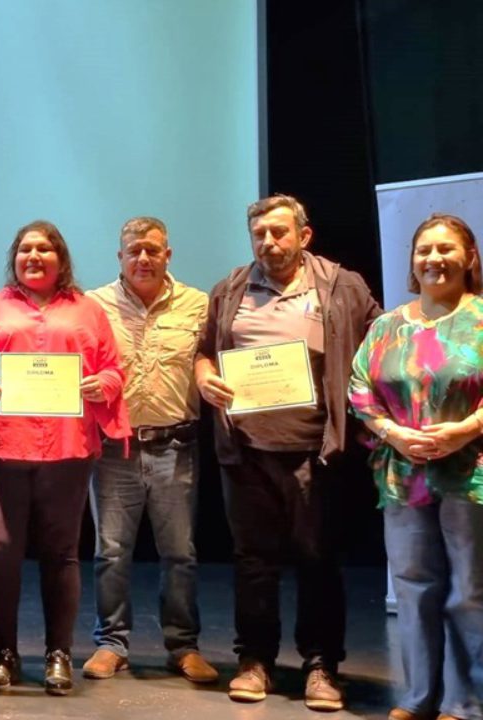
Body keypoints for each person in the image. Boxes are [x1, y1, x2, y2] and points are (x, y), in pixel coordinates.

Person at [194, 194, 380, 711]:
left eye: (279, 232)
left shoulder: (342, 286)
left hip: (315, 452)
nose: (268, 242)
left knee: (318, 559)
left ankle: (320, 666)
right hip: (246, 450)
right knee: (253, 561)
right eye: (259, 234)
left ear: (304, 235)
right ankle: (255, 661)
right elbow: (204, 353)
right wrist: (206, 379)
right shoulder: (230, 288)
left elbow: (379, 346)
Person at [0, 219, 130, 696]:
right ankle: (4, 653)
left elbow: (113, 368)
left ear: (61, 259)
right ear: (14, 257)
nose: (34, 256)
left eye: (45, 249)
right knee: (1, 551)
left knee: (61, 554)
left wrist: (102, 384)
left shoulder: (88, 310)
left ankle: (58, 653)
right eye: (25, 249)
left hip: (68, 449)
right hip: (2, 446)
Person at [349, 214, 483, 720]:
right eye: (424, 249)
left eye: (446, 249)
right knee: (412, 584)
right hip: (403, 474)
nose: (434, 259)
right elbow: (359, 387)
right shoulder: (387, 326)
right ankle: (418, 698)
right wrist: (393, 433)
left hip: (471, 474)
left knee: (469, 589)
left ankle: (465, 702)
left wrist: (465, 430)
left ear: (469, 257)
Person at [84, 217, 217, 683]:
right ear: (119, 256)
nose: (143, 258)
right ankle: (111, 643)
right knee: (110, 552)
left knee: (180, 553)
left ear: (168, 255)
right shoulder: (92, 305)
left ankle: (183, 646)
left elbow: (214, 356)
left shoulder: (198, 304)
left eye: (153, 250)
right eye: (134, 250)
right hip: (113, 448)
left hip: (176, 445)